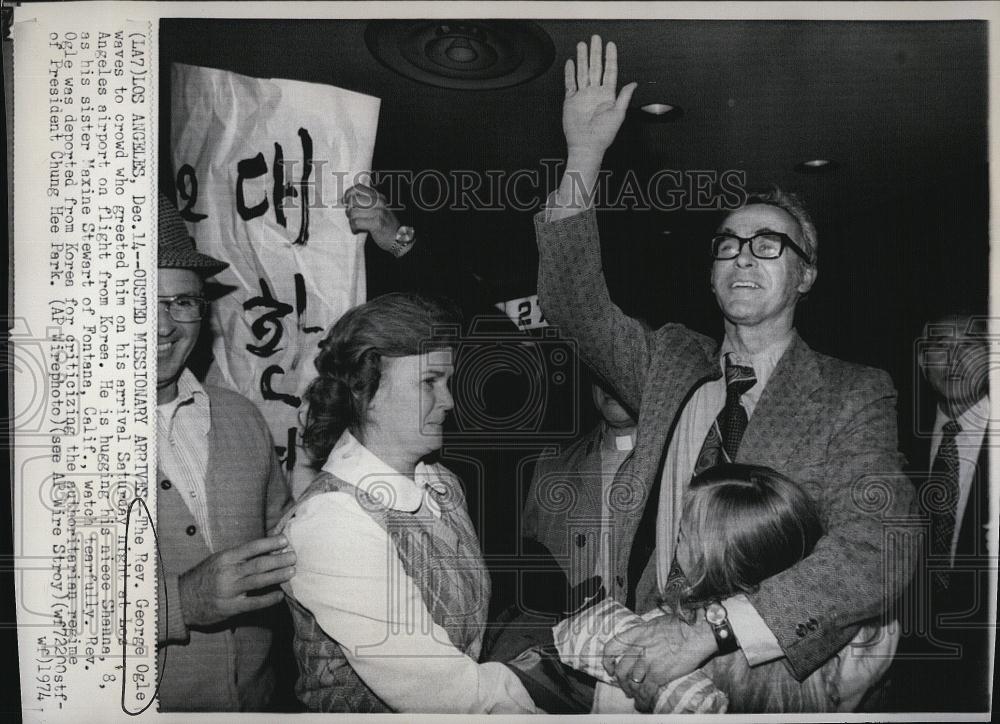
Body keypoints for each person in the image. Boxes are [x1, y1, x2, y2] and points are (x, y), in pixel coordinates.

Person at [534, 36, 915, 711]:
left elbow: (882, 545)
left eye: (769, 245)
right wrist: (585, 157)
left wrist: (716, 629)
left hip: (770, 681)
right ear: (711, 277)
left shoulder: (853, 392)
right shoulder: (668, 363)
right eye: (729, 246)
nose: (744, 258)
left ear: (806, 276)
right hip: (638, 664)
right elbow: (573, 307)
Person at [273, 292, 537, 713]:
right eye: (429, 382)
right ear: (366, 391)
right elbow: (441, 692)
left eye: (447, 381)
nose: (449, 400)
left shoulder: (441, 483)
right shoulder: (331, 521)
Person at [558, 463, 889, 713]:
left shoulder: (659, 642)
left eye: (682, 539)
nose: (675, 547)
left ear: (715, 565)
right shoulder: (861, 646)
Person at [155, 193, 295, 711]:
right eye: (140, 300)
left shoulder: (240, 416)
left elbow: (284, 539)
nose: (165, 325)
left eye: (183, 302)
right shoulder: (69, 438)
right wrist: (182, 602)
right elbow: (48, 616)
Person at [889, 311, 991, 711]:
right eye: (939, 347)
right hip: (906, 655)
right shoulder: (892, 435)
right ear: (921, 361)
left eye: (968, 346)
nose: (952, 361)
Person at [523, 377, 638, 592]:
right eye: (599, 368)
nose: (610, 380)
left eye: (619, 368)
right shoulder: (552, 466)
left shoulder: (679, 466)